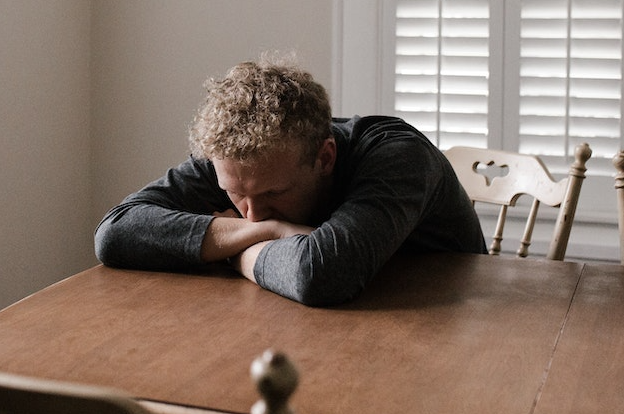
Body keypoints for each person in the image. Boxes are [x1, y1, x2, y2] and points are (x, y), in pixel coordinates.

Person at [93, 56, 486, 306]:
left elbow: (322, 273)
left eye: (274, 195)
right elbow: (115, 233)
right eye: (235, 194)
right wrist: (272, 232)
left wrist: (234, 251)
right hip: (327, 323)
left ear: (325, 157)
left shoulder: (398, 155)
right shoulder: (240, 160)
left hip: (459, 326)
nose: (253, 214)